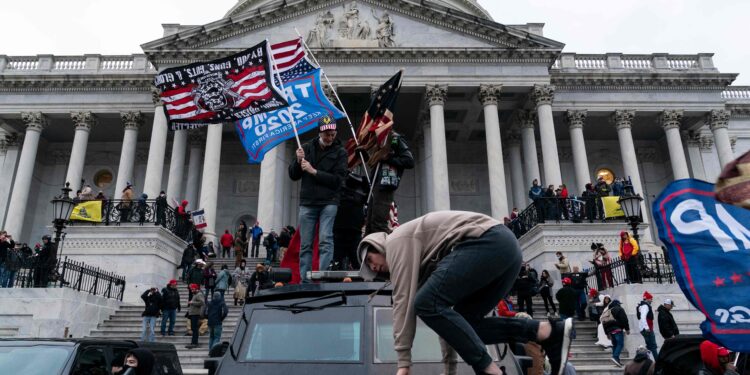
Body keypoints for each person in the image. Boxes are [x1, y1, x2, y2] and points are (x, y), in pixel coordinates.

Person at [357, 211, 574, 375]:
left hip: (488, 242)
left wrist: (403, 363)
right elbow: (449, 324)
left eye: (370, 260)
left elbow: (403, 304)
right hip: (506, 250)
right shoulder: (423, 260)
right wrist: (450, 369)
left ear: (378, 246)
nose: (373, 268)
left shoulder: (396, 242)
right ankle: (546, 332)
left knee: (424, 303)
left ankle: (490, 370)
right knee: (465, 324)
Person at [289, 116, 348, 282]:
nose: (330, 138)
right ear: (320, 133)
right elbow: (293, 175)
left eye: (333, 134)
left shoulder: (340, 152)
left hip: (329, 201)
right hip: (308, 202)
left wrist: (314, 171)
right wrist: (298, 160)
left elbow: (338, 180)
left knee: (325, 240)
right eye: (327, 134)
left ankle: (324, 278)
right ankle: (305, 280)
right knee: (306, 244)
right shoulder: (306, 148)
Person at [365, 131, 415, 235]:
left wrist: (388, 158)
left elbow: (409, 161)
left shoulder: (394, 139)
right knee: (369, 224)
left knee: (378, 224)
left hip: (386, 185)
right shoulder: (377, 140)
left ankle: (380, 249)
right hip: (375, 185)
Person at [333, 173, 368, 270]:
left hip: (352, 230)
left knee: (357, 263)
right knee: (337, 263)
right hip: (341, 229)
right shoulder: (340, 179)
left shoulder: (364, 183)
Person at [601, 297, 629, 367]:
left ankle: (617, 361)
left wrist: (606, 333)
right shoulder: (620, 309)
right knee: (620, 344)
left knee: (615, 345)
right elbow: (624, 319)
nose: (620, 305)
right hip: (617, 329)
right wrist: (627, 329)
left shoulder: (608, 311)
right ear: (618, 304)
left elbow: (604, 323)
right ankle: (615, 357)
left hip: (610, 331)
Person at [638, 291, 659, 359]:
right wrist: (647, 327)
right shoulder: (645, 306)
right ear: (647, 299)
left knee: (649, 346)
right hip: (647, 329)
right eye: (650, 298)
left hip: (644, 329)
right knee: (653, 345)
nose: (651, 300)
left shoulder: (642, 306)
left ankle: (647, 359)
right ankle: (658, 361)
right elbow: (643, 317)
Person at [186, 284, 204, 349]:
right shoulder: (195, 294)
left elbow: (202, 302)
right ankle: (193, 342)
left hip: (195, 314)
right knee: (193, 328)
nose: (191, 290)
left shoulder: (199, 294)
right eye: (191, 289)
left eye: (193, 289)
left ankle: (195, 343)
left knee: (195, 329)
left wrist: (192, 302)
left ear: (196, 289)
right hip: (193, 314)